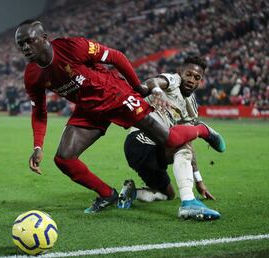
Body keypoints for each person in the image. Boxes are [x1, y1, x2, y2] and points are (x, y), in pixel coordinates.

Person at [15, 20, 226, 213]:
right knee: (64, 159)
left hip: (116, 95)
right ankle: (107, 194)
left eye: (29, 41)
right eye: (21, 44)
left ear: (44, 38)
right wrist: (37, 146)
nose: (25, 47)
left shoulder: (72, 47)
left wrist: (137, 87)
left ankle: (203, 130)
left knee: (168, 139)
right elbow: (39, 112)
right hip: (89, 108)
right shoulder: (32, 76)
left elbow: (116, 56)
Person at [118, 56, 220, 220]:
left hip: (150, 151)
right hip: (141, 141)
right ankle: (189, 204)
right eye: (189, 74)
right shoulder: (173, 81)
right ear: (180, 72)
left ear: (200, 81)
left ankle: (131, 193)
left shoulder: (191, 106)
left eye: (197, 77)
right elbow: (153, 82)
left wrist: (199, 181)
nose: (191, 80)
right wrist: (157, 91)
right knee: (182, 144)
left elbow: (189, 143)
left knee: (168, 194)